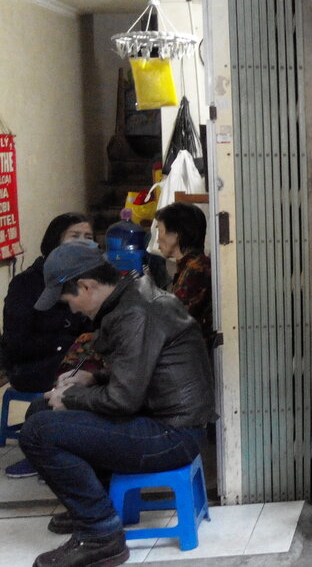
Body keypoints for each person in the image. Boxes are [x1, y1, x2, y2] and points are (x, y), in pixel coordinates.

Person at [19, 242, 216, 567]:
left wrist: (69, 397)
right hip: (166, 422)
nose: (72, 310)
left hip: (174, 435)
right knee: (40, 411)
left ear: (86, 286)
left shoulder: (135, 312)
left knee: (38, 431)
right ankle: (95, 506)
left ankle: (100, 535)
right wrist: (91, 379)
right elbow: (142, 371)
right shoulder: (135, 297)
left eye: (69, 299)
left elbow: (122, 400)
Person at [1, 213, 95, 479]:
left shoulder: (86, 279)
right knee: (76, 377)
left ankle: (78, 448)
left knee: (100, 371)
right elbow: (16, 342)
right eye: (75, 236)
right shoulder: (27, 283)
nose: (83, 243)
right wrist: (65, 347)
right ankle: (43, 451)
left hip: (70, 357)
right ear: (55, 241)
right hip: (31, 364)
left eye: (88, 238)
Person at [154, 202, 214, 349]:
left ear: (176, 235)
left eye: (160, 231)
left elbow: (173, 318)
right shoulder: (191, 265)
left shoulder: (196, 269)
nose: (157, 240)